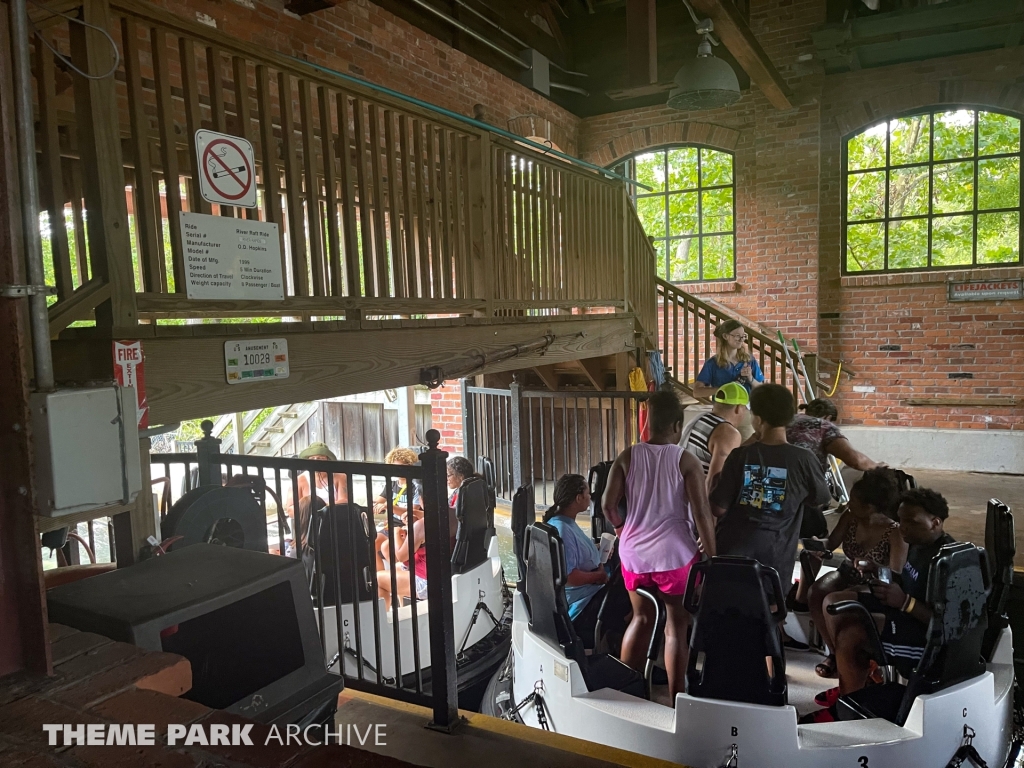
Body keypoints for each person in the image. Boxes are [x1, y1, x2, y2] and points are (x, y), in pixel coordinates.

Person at [603, 390, 718, 699]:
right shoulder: (686, 460)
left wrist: (622, 529)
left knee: (640, 618)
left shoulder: (627, 456)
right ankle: (677, 698)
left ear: (648, 422)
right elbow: (703, 514)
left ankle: (626, 693)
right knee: (676, 626)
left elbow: (607, 505)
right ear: (678, 425)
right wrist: (712, 557)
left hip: (634, 557)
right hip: (674, 557)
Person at [805, 489, 955, 722]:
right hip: (904, 614)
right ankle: (853, 684)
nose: (902, 527)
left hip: (924, 638)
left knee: (851, 636)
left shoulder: (947, 562)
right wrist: (878, 569)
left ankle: (850, 708)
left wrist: (905, 602)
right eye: (901, 519)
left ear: (935, 522)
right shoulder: (917, 544)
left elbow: (948, 623)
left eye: (911, 521)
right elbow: (905, 579)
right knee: (835, 603)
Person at [710, 384, 831, 601]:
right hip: (775, 558)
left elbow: (717, 508)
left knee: (730, 613)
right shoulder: (804, 459)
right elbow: (820, 499)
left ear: (758, 419)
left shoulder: (739, 456)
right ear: (789, 418)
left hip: (732, 556)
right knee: (772, 613)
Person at [804, 469, 908, 679]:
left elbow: (897, 572)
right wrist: (818, 545)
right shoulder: (850, 517)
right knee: (816, 592)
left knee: (838, 602)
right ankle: (835, 653)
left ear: (870, 507)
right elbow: (831, 544)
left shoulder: (895, 532)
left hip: (874, 582)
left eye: (853, 500)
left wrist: (873, 566)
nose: (848, 504)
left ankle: (854, 657)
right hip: (847, 572)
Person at [544, 474, 610, 645]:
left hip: (591, 588)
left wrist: (595, 549)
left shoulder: (564, 522)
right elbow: (570, 577)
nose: (590, 496)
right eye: (588, 493)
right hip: (582, 602)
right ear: (579, 498)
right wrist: (599, 577)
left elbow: (574, 552)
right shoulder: (563, 530)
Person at [680, 381, 748, 492]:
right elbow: (714, 482)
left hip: (684, 489)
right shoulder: (728, 433)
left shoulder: (702, 418)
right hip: (697, 498)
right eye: (745, 408)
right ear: (738, 408)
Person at [692, 319, 764, 399]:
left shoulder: (749, 360)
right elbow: (696, 392)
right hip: (722, 408)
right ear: (725, 336)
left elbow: (761, 389)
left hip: (744, 408)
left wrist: (751, 378)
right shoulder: (712, 363)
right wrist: (725, 389)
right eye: (737, 336)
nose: (741, 339)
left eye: (743, 336)